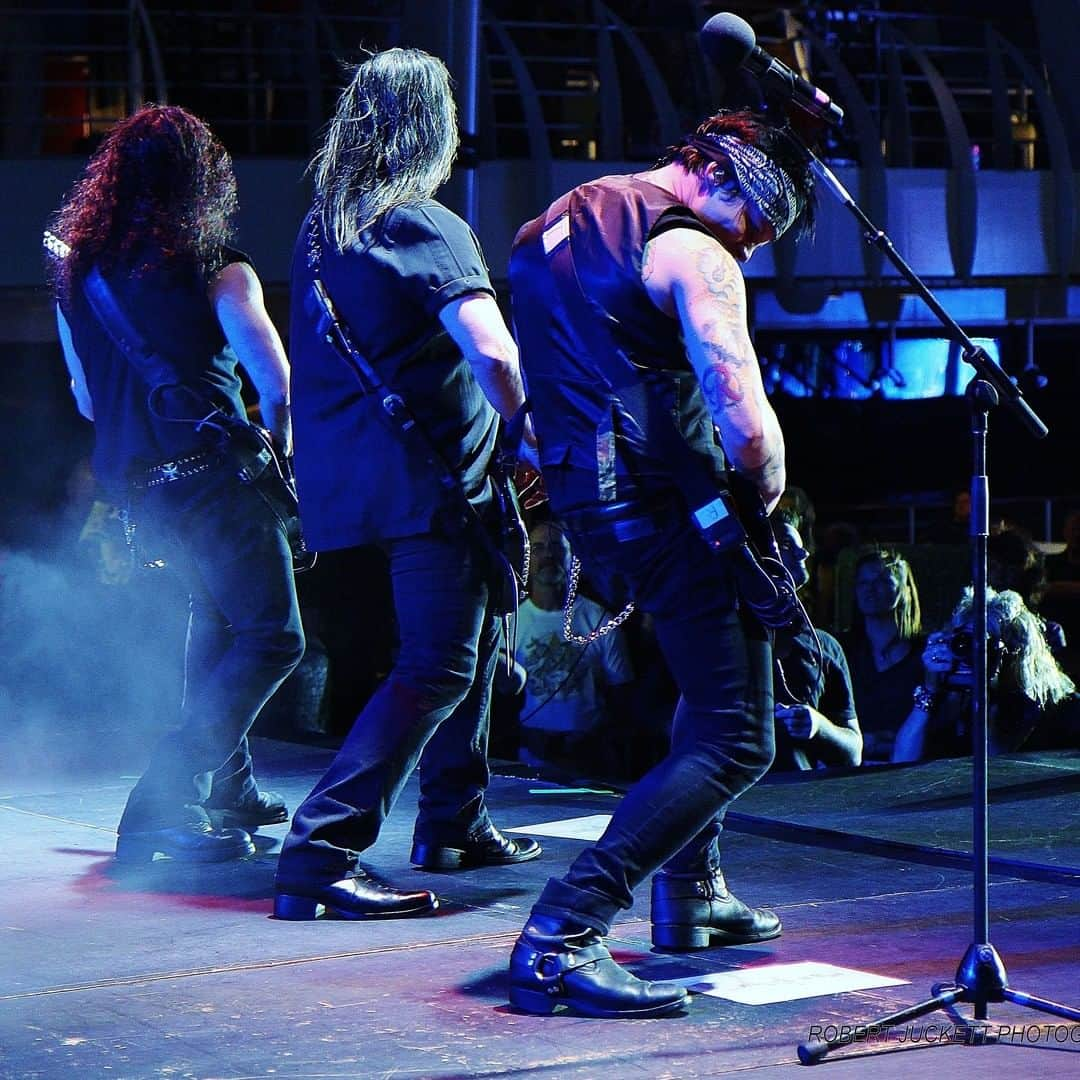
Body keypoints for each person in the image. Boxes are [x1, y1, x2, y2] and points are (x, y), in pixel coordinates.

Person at [507, 109, 816, 1017]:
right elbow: (746, 421)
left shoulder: (549, 227)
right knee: (738, 734)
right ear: (728, 179)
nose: (752, 252)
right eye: (758, 229)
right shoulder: (692, 250)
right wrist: (762, 501)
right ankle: (565, 930)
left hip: (588, 500)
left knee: (702, 682)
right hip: (670, 502)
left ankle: (693, 894)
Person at [273, 48, 541, 922]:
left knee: (477, 640)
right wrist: (530, 431)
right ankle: (322, 848)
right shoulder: (423, 222)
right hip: (433, 485)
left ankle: (452, 818)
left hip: (356, 487)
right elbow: (494, 351)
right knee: (438, 666)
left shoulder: (322, 227)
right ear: (434, 127)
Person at [49, 105, 305, 863]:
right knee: (274, 638)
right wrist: (277, 453)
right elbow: (277, 381)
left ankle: (228, 787)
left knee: (218, 624)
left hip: (143, 495)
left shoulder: (81, 278)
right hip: (214, 483)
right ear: (204, 182)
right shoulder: (218, 266)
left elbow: (85, 398)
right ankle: (163, 797)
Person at [893, 586, 1077, 762]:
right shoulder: (952, 699)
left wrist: (986, 694)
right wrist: (930, 689)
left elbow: (996, 775)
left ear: (1014, 653)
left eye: (983, 646)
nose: (971, 652)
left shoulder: (1056, 710)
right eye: (965, 641)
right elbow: (901, 765)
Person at [513, 520, 636, 778]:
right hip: (528, 762)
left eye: (557, 547)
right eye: (538, 548)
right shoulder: (510, 622)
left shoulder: (601, 621)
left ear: (573, 556)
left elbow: (624, 696)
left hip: (589, 761)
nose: (548, 555)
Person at [772, 512, 861, 769]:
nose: (803, 555)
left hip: (797, 803)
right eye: (788, 545)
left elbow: (854, 753)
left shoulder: (825, 646)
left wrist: (819, 726)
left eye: (802, 546)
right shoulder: (723, 642)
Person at [842, 546, 924, 762]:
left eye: (880, 580)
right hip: (849, 771)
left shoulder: (927, 654)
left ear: (904, 589)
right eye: (862, 582)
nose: (870, 589)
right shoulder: (843, 651)